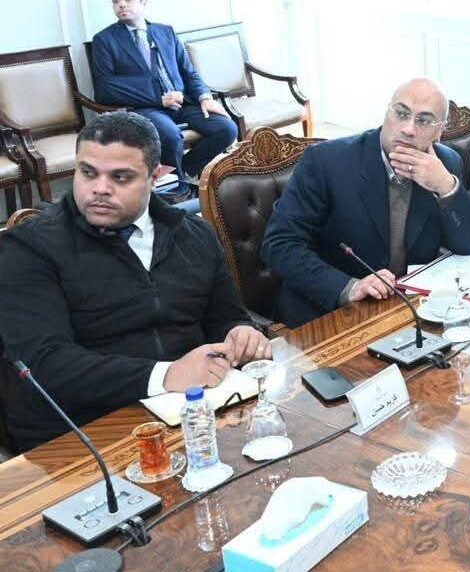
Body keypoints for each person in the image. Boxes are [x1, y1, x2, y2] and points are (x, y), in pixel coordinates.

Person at [0, 112, 269, 451]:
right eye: (87, 172)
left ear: (156, 176)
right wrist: (166, 375)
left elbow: (226, 317)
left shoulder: (194, 234)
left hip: (189, 408)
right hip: (79, 430)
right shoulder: (28, 248)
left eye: (121, 177)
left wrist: (240, 333)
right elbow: (44, 364)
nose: (100, 188)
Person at [261, 78, 470, 327]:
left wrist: (445, 186)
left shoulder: (446, 164)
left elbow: (469, 244)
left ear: (439, 130)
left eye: (423, 120)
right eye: (401, 113)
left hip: (405, 309)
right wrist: (348, 287)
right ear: (387, 112)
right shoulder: (327, 162)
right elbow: (280, 244)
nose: (408, 129)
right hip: (325, 314)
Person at [90, 0, 239, 201]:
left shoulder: (165, 32)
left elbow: (188, 71)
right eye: (116, 0)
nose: (121, 4)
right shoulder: (105, 40)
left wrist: (205, 97)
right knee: (170, 136)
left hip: (183, 102)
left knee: (227, 129)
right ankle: (179, 191)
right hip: (146, 108)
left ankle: (180, 175)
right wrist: (158, 98)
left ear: (143, 3)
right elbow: (105, 87)